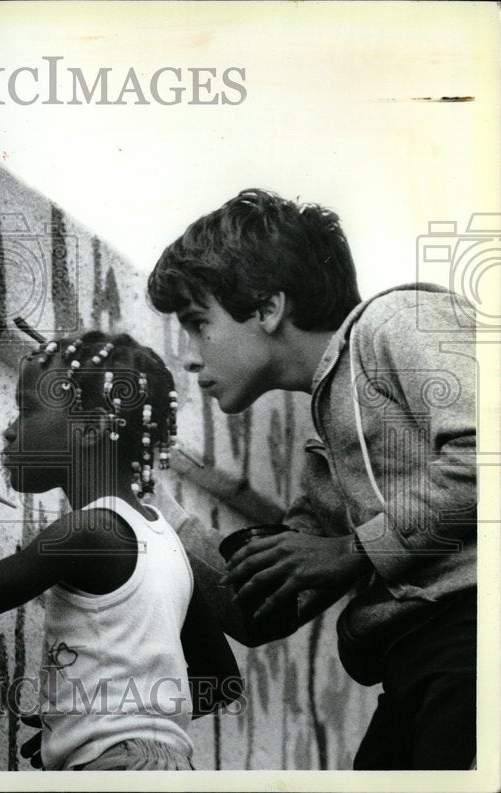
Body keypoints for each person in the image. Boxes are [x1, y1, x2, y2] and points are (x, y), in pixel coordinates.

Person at [146, 188, 477, 770]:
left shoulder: (396, 322)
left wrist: (354, 550)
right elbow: (261, 608)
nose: (191, 357)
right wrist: (147, 503)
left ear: (268, 309)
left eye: (200, 324)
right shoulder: (328, 443)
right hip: (415, 674)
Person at [0, 330, 241, 771]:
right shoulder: (162, 536)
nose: (11, 430)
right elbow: (221, 679)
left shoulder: (86, 532)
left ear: (92, 428)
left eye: (28, 409)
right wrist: (91, 721)